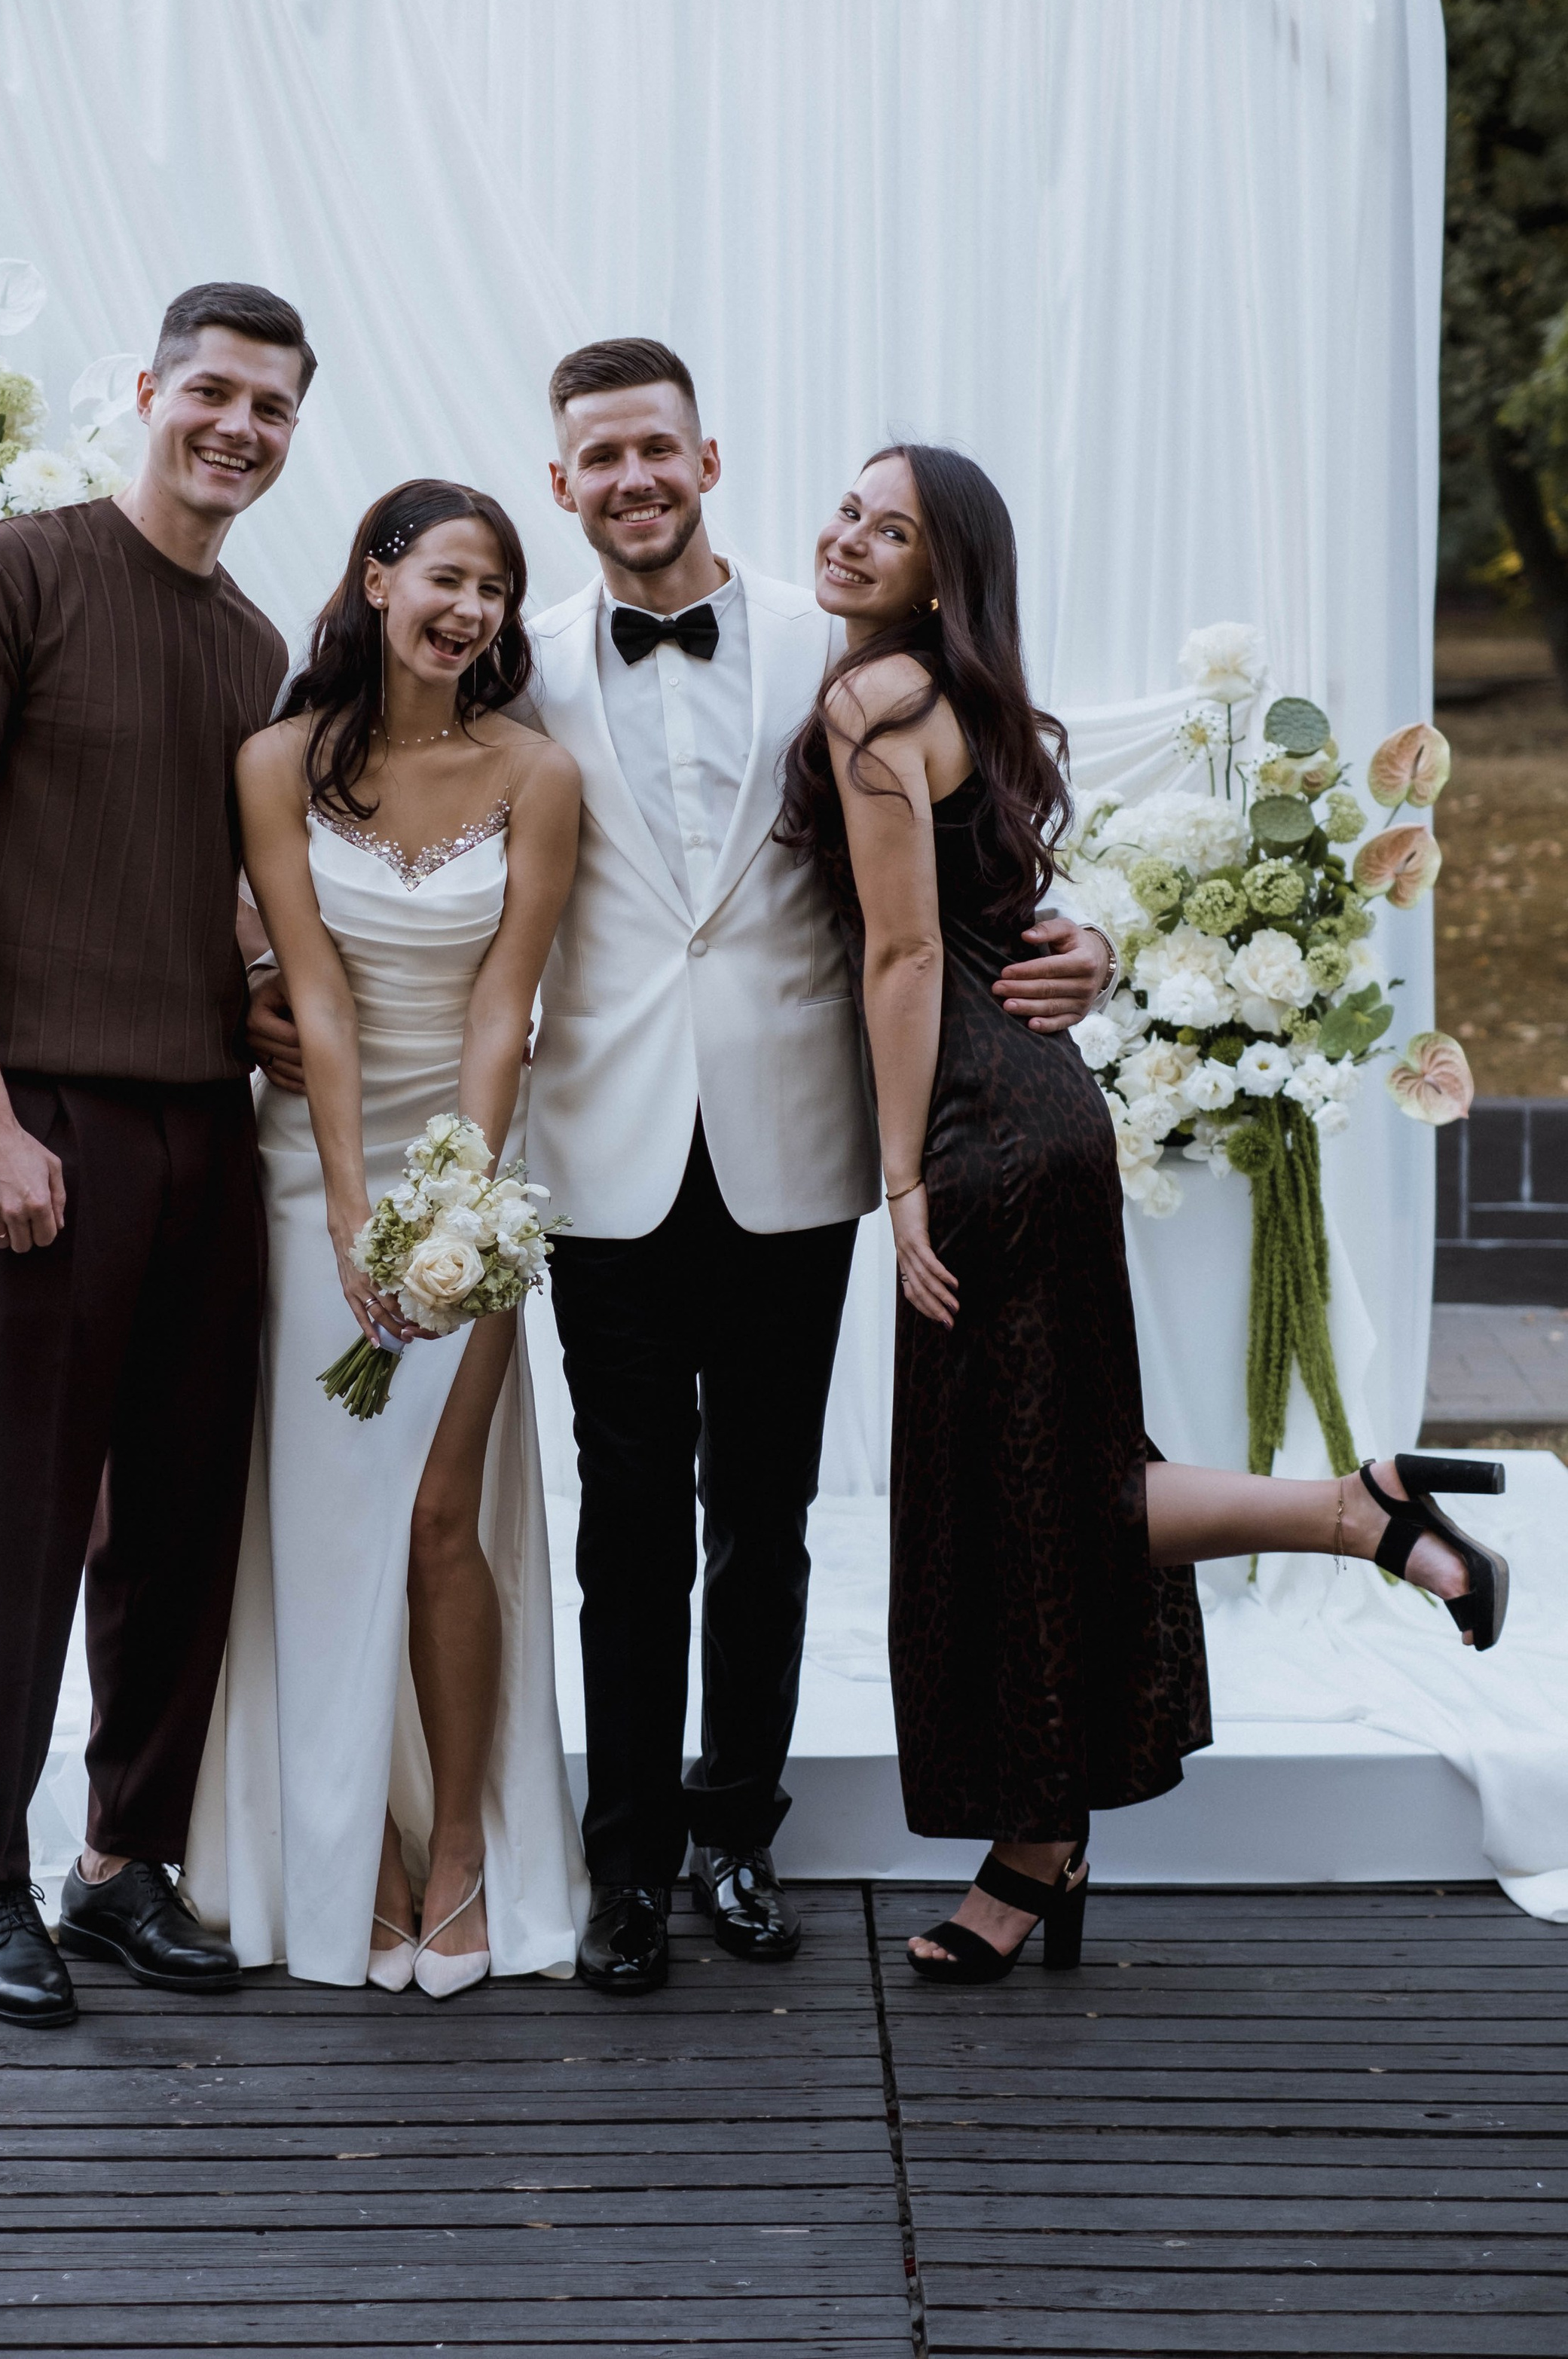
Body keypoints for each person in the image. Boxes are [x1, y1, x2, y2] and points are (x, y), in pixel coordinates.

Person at [781, 440, 1513, 1986]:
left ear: (937, 570)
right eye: (847, 508)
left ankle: (1341, 1532)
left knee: (1020, 1499)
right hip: (1041, 1113)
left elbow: (903, 959)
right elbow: (1007, 911)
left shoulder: (871, 705)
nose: (847, 537)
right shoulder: (953, 696)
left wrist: (900, 1181)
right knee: (1041, 1483)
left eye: (887, 529)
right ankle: (1336, 1531)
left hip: (983, 1132)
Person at [521, 340, 1114, 1995]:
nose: (631, 479)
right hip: (600, 1139)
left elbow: (983, 828)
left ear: (708, 461)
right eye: (597, 457)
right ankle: (623, 1864)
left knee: (760, 1513)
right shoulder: (515, 658)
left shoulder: (840, 647)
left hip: (800, 1142)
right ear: (559, 481)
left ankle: (733, 1839)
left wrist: (1090, 935)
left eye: (657, 447)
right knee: (624, 1519)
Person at [0, 280, 307, 2028]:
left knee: (185, 1521)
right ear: (146, 390)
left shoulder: (256, 649)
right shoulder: (16, 575)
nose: (237, 427)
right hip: (34, 1114)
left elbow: (210, 893)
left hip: (209, 1123)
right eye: (210, 391)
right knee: (8, 1513)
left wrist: (278, 1007)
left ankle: (124, 1862)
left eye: (271, 407)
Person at [184, 480, 589, 1995]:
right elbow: (320, 1000)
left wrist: (461, 1214)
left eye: (494, 585)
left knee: (441, 1515)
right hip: (312, 1175)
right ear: (374, 577)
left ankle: (466, 1848)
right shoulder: (274, 762)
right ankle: (343, 1844)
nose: (470, 606)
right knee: (330, 1518)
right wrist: (355, 1213)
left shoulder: (535, 773)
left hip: (476, 1175)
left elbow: (504, 1006)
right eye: (446, 574)